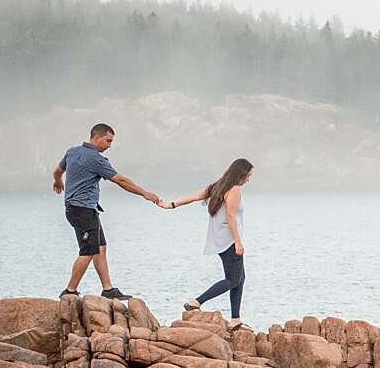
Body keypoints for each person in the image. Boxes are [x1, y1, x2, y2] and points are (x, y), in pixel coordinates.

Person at [52, 123, 162, 300]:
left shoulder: (72, 151)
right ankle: (70, 291)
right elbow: (121, 180)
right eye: (108, 141)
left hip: (81, 208)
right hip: (83, 210)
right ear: (96, 137)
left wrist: (58, 181)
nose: (109, 145)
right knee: (88, 250)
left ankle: (108, 289)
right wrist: (144, 193)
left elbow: (58, 171)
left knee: (100, 247)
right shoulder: (97, 159)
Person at [163, 158, 252, 320]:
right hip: (230, 241)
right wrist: (238, 242)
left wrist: (172, 204)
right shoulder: (235, 189)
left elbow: (195, 196)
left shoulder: (218, 187)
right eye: (248, 175)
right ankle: (196, 302)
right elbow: (231, 216)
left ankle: (235, 319)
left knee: (239, 279)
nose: (249, 179)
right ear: (242, 174)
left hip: (220, 240)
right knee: (233, 279)